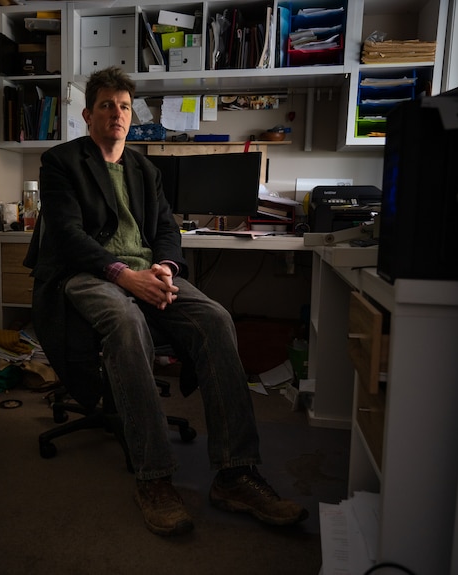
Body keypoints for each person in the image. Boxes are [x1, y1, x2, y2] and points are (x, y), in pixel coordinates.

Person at [24, 66, 307, 536]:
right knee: (126, 322)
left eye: (124, 107)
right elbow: (68, 236)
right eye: (106, 106)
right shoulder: (60, 162)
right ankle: (153, 477)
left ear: (131, 116)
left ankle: (236, 473)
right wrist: (124, 276)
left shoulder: (145, 168)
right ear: (87, 114)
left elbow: (165, 232)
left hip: (145, 271)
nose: (116, 114)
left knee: (215, 319)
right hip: (88, 273)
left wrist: (165, 268)